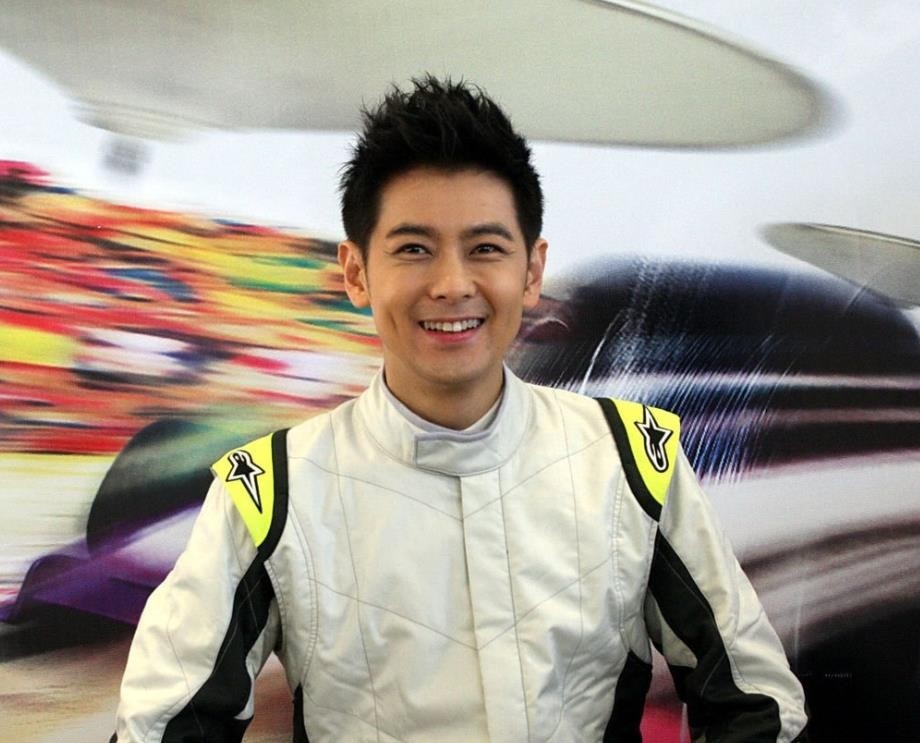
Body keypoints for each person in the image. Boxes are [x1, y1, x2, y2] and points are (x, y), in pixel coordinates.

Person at [112, 76, 809, 742]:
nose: (451, 284)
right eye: (414, 248)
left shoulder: (631, 463)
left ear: (532, 270)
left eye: (485, 248)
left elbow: (758, 703)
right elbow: (160, 726)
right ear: (356, 271)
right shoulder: (271, 490)